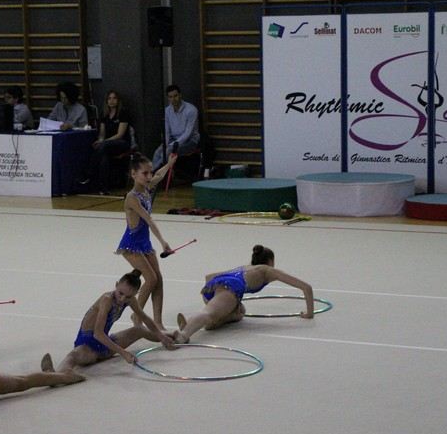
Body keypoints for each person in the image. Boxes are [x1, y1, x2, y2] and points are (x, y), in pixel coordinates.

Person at [174, 245, 315, 344]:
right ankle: (184, 334)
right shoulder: (267, 270)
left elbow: (209, 276)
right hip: (229, 289)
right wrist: (309, 313)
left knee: (240, 312)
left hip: (214, 288)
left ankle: (212, 322)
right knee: (207, 313)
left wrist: (214, 293)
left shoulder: (246, 267)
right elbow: (306, 287)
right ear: (271, 261)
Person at [47, 270, 176, 373]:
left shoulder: (130, 300)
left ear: (135, 294)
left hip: (105, 344)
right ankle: (56, 375)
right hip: (88, 345)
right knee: (73, 356)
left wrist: (160, 336)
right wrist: (123, 352)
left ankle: (173, 337)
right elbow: (97, 333)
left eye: (128, 296)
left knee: (139, 330)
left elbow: (145, 319)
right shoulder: (107, 300)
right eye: (120, 293)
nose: (122, 299)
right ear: (116, 285)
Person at [115, 154, 178, 331]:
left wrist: (169, 164)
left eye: (149, 173)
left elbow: (159, 175)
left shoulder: (147, 187)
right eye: (145, 173)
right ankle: (137, 315)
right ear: (133, 174)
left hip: (144, 243)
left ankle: (157, 321)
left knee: (159, 279)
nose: (149, 177)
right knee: (150, 279)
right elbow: (149, 220)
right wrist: (163, 242)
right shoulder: (132, 197)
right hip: (131, 245)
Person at [79, 89, 133, 194]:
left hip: (122, 143)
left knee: (103, 146)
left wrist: (103, 142)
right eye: (109, 98)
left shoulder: (123, 113)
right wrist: (100, 140)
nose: (112, 101)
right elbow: (102, 134)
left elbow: (120, 134)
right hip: (107, 145)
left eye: (114, 98)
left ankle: (88, 174)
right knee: (103, 155)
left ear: (118, 100)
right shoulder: (104, 114)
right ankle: (103, 187)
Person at [151, 84, 200, 169]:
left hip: (190, 141)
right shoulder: (167, 111)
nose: (173, 99)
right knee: (157, 152)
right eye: (170, 97)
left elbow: (188, 133)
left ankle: (161, 173)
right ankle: (153, 175)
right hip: (172, 140)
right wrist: (166, 144)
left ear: (180, 95)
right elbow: (167, 131)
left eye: (175, 96)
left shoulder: (191, 110)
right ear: (168, 98)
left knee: (168, 151)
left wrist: (173, 145)